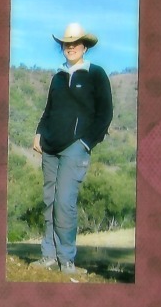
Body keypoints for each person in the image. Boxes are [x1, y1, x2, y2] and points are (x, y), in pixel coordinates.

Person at [31, 23, 113, 274]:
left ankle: (67, 260)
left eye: (75, 43)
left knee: (64, 202)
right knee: (49, 202)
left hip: (75, 149)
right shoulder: (57, 76)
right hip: (50, 147)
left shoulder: (96, 74)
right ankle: (48, 256)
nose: (71, 47)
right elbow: (49, 110)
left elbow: (105, 113)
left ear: (84, 47)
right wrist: (38, 132)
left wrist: (86, 142)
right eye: (67, 43)